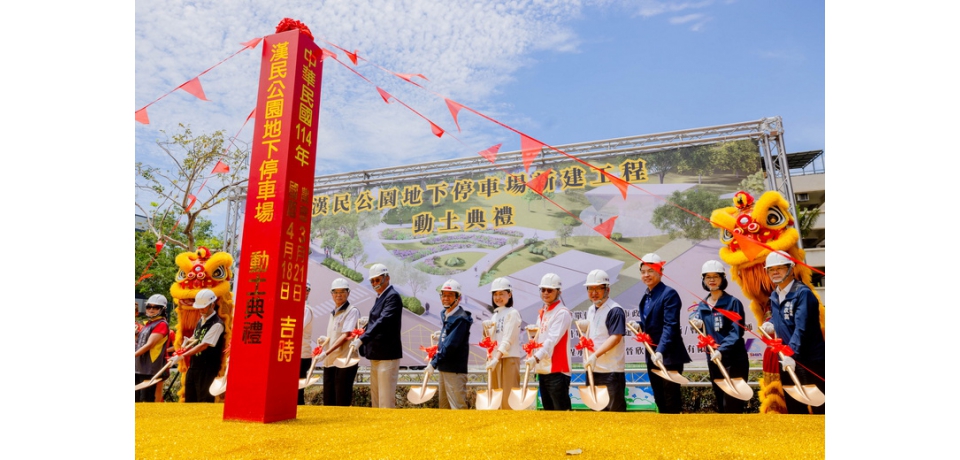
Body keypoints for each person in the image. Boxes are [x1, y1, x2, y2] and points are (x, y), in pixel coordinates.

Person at [761, 251, 825, 415]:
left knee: (819, 407)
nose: (775, 272)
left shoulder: (803, 294)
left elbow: (802, 327)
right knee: (795, 408)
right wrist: (771, 324)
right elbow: (782, 320)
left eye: (779, 268)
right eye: (771, 269)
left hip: (809, 360)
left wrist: (791, 353)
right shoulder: (775, 294)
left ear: (791, 269)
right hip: (787, 360)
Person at [632, 253, 690, 414]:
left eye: (650, 271)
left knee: (670, 399)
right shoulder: (646, 296)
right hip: (652, 355)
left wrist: (660, 351)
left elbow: (670, 325)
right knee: (659, 398)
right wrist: (638, 325)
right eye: (643, 271)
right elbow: (650, 323)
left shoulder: (669, 294)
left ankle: (674, 434)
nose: (646, 275)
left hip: (668, 356)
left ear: (660, 271)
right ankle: (663, 434)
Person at [689, 260, 749, 413]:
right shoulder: (702, 306)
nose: (712, 280)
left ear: (723, 279)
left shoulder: (733, 303)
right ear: (703, 280)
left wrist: (721, 350)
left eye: (716, 276)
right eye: (708, 277)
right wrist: (696, 324)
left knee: (733, 403)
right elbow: (704, 333)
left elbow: (736, 332)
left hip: (733, 359)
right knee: (721, 401)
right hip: (714, 359)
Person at [352, 263, 403, 408]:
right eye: (372, 280)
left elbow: (383, 321)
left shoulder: (393, 297)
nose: (375, 283)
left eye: (378, 279)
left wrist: (362, 339)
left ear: (387, 278)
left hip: (387, 356)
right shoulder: (381, 296)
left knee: (385, 401)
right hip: (376, 355)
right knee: (376, 401)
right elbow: (376, 321)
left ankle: (387, 430)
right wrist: (364, 328)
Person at [579, 269, 626, 412]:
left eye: (598, 288)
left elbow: (616, 337)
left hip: (611, 372)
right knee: (597, 416)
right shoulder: (591, 310)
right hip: (593, 370)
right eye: (590, 289)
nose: (594, 293)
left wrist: (595, 355)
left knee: (613, 415)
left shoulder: (615, 310)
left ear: (607, 289)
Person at [524, 273, 572, 411]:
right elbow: (541, 338)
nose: (546, 293)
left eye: (550, 290)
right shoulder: (543, 311)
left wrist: (536, 357)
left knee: (561, 415)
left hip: (557, 370)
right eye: (543, 290)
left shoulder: (562, 312)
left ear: (558, 292)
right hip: (543, 369)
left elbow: (551, 340)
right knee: (549, 415)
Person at [170, 288, 225, 403]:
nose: (201, 309)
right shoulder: (201, 320)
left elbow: (203, 345)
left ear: (212, 305)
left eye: (204, 306)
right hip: (194, 366)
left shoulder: (217, 324)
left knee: (203, 400)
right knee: (190, 399)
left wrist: (182, 355)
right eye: (199, 307)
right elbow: (196, 338)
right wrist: (187, 342)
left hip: (207, 369)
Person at [427, 280, 473, 409]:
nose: (446, 298)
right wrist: (441, 337)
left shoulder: (461, 319)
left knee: (457, 409)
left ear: (458, 298)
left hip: (455, 371)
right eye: (443, 295)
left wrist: (433, 363)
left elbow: (451, 346)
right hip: (444, 368)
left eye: (450, 295)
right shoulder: (446, 314)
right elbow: (447, 338)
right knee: (444, 409)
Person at [317, 278, 361, 406]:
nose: (338, 295)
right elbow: (336, 335)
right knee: (329, 401)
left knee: (341, 401)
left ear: (348, 293)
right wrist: (326, 341)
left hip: (344, 362)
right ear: (331, 294)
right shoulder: (333, 313)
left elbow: (345, 336)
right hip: (330, 362)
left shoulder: (352, 311)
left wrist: (326, 352)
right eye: (335, 292)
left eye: (342, 291)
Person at [485, 277, 522, 410]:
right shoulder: (495, 315)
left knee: (508, 400)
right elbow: (490, 342)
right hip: (495, 360)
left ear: (509, 294)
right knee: (496, 398)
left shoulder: (512, 313)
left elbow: (508, 339)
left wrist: (496, 358)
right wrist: (486, 330)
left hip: (508, 359)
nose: (498, 297)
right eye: (495, 294)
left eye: (502, 293)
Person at [135, 294, 170, 403]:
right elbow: (139, 344)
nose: (151, 309)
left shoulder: (161, 324)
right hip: (138, 367)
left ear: (162, 309)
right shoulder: (148, 324)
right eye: (149, 306)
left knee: (146, 400)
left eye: (155, 307)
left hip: (150, 368)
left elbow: (150, 344)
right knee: (135, 399)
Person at [298, 282, 316, 405]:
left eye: (306, 290)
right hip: (291, 355)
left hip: (301, 356)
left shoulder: (305, 309)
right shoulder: (295, 307)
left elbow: (296, 329)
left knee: (297, 392)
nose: (304, 292)